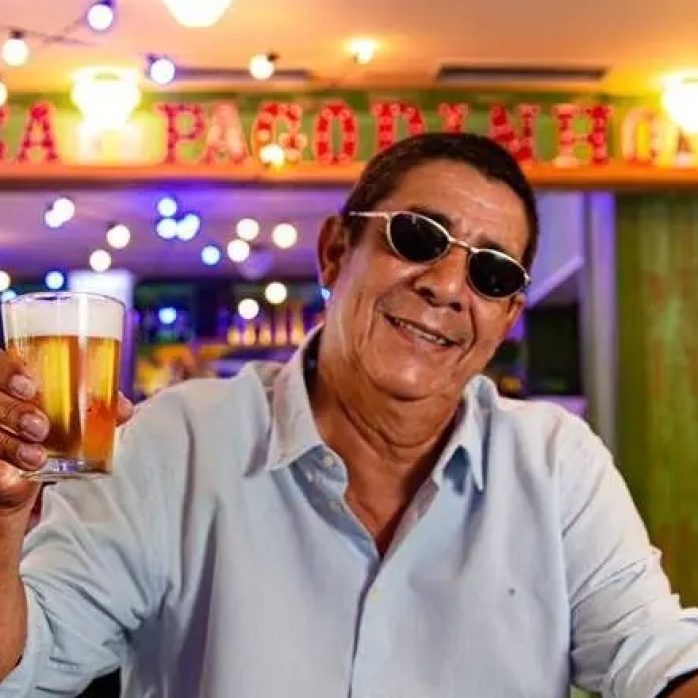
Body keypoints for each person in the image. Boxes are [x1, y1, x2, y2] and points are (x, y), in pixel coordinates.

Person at [0, 133, 697, 698]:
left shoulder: (556, 464)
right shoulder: (176, 442)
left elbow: (650, 651)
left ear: (508, 316)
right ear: (335, 251)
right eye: (419, 237)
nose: (447, 286)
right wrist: (4, 518)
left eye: (491, 274)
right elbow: (29, 661)